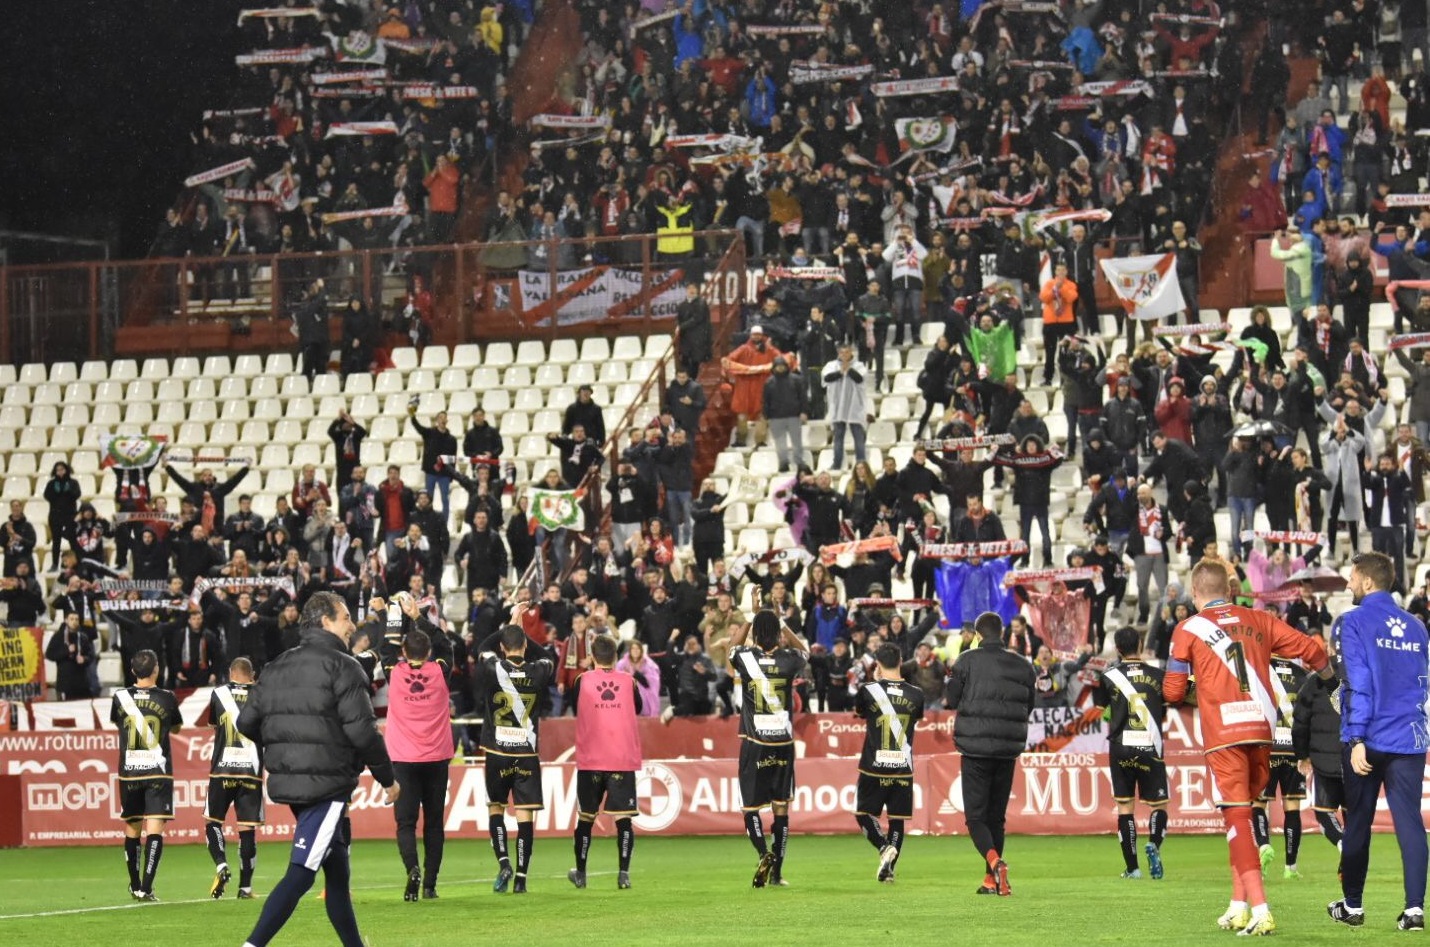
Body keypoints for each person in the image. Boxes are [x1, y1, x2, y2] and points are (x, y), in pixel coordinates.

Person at [1163, 560, 1332, 936]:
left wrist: (1201, 690)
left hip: (1224, 734)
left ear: (1194, 593)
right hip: (1262, 730)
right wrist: (1333, 682)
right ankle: (1239, 906)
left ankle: (1261, 909)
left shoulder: (1188, 628)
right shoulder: (1259, 619)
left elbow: (1172, 691)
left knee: (1236, 818)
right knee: (1245, 813)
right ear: (1229, 589)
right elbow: (1312, 651)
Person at [236, 592, 399, 947]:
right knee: (302, 873)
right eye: (345, 618)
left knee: (337, 872)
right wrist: (388, 779)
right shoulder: (345, 666)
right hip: (326, 783)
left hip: (291, 779)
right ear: (325, 620)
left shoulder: (276, 666)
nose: (352, 625)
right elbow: (361, 731)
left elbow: (246, 722)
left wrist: (283, 743)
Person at [1327, 551, 1430, 931]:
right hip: (1410, 737)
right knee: (1411, 825)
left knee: (1358, 823)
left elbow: (1358, 682)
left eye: (1353, 577)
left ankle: (1353, 906)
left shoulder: (1350, 622)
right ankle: (1415, 910)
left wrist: (1355, 738)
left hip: (1367, 738)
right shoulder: (1418, 627)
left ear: (1368, 581)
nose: (1348, 583)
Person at [945, 611, 1036, 897]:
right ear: (1003, 633)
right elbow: (1028, 705)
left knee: (976, 818)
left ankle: (995, 863)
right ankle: (991, 880)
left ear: (979, 635)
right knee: (997, 817)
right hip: (1007, 751)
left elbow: (951, 700)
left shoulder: (967, 661)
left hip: (975, 749)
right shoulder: (1023, 665)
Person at [726, 609, 809, 888]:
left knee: (750, 808)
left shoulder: (746, 658)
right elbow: (805, 650)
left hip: (755, 743)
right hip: (783, 744)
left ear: (756, 634)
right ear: (777, 634)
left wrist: (750, 615)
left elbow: (732, 648)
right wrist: (784, 624)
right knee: (781, 808)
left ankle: (764, 854)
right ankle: (777, 874)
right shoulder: (788, 660)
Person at [379, 597, 454, 901]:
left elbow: (385, 647)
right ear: (428, 652)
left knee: (405, 823)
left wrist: (391, 614)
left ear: (404, 652)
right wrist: (418, 617)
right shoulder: (440, 671)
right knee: (434, 824)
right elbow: (446, 644)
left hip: (404, 760)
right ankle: (430, 885)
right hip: (436, 759)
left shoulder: (394, 672)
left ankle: (412, 869)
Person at [474, 624, 554, 895]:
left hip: (497, 753)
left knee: (495, 807)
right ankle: (521, 877)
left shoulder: (493, 666)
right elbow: (548, 655)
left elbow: (481, 647)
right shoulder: (539, 670)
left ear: (502, 648)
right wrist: (522, 631)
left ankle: (504, 862)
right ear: (525, 647)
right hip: (527, 754)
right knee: (524, 815)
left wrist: (508, 625)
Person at [1093, 627, 1169, 881]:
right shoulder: (1159, 675)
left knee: (1125, 808)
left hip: (1121, 745)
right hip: (1150, 744)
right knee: (1159, 805)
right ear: (1141, 644)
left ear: (1117, 649)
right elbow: (1169, 706)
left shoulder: (1107, 677)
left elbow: (1100, 711)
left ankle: (1133, 868)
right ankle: (1154, 845)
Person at [568, 634, 642, 891]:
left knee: (586, 817)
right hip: (621, 758)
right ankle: (623, 874)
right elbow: (640, 707)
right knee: (623, 819)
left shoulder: (582, 680)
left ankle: (581, 873)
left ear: (592, 656)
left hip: (591, 759)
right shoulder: (629, 681)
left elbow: (573, 705)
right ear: (615, 656)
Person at [110, 649, 182, 901]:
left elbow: (117, 723)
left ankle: (134, 884)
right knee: (154, 829)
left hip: (129, 772)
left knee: (132, 828)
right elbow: (176, 726)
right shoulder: (167, 697)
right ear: (156, 670)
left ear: (132, 671)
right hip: (157, 771)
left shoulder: (119, 697)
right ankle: (147, 887)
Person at [853, 642, 926, 884]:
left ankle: (884, 849)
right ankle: (889, 869)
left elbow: (860, 712)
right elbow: (916, 717)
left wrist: (876, 680)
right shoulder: (917, 694)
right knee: (897, 819)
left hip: (874, 765)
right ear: (901, 659)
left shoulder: (868, 690)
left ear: (878, 663)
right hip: (903, 767)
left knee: (863, 814)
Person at [204, 657, 264, 900]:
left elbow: (212, 725)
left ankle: (220, 864)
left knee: (213, 821)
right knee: (247, 829)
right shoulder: (261, 694)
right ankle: (245, 888)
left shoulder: (218, 693)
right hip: (251, 770)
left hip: (222, 769)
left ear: (230, 673)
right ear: (252, 675)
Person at [1251, 652, 1308, 879]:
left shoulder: (1260, 670)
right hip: (1294, 748)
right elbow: (1306, 715)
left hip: (1268, 747)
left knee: (1258, 801)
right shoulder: (1302, 675)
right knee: (1292, 806)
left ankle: (1264, 845)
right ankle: (1290, 868)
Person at [824, 343, 870, 469]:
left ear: (851, 352)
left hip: (854, 407)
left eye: (847, 352)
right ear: (838, 353)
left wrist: (848, 370)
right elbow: (826, 378)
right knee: (838, 437)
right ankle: (837, 464)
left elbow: (860, 379)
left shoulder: (859, 366)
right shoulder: (831, 365)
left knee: (858, 437)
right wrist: (840, 372)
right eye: (842, 352)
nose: (844, 355)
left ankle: (861, 463)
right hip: (838, 408)